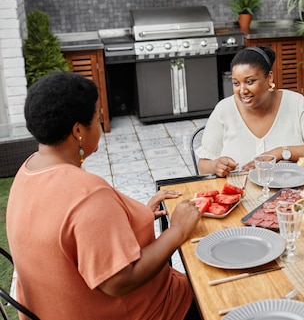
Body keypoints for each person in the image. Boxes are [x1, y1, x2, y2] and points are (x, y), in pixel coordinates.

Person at [6, 71, 202, 320]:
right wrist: (177, 231)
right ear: (78, 130)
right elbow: (120, 281)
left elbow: (75, 235)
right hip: (148, 311)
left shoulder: (28, 170)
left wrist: (133, 218)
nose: (99, 125)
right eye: (97, 119)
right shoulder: (86, 195)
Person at [196, 45, 304, 177]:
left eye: (250, 81)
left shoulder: (296, 104)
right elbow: (203, 165)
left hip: (290, 195)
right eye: (236, 83)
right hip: (239, 197)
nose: (242, 90)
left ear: (269, 77)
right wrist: (216, 166)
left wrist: (280, 152)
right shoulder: (224, 110)